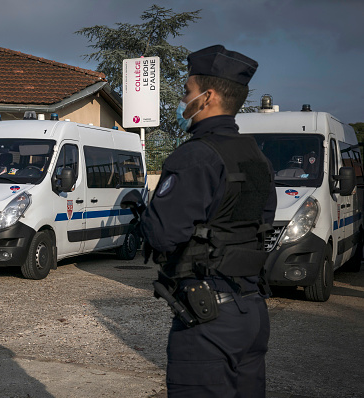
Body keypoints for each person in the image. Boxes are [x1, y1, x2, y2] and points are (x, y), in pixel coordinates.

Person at [140, 45, 277, 397]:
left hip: (208, 316)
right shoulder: (256, 156)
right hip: (250, 310)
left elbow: (163, 235)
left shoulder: (195, 156)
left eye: (187, 91)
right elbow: (262, 222)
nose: (183, 99)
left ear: (208, 97)